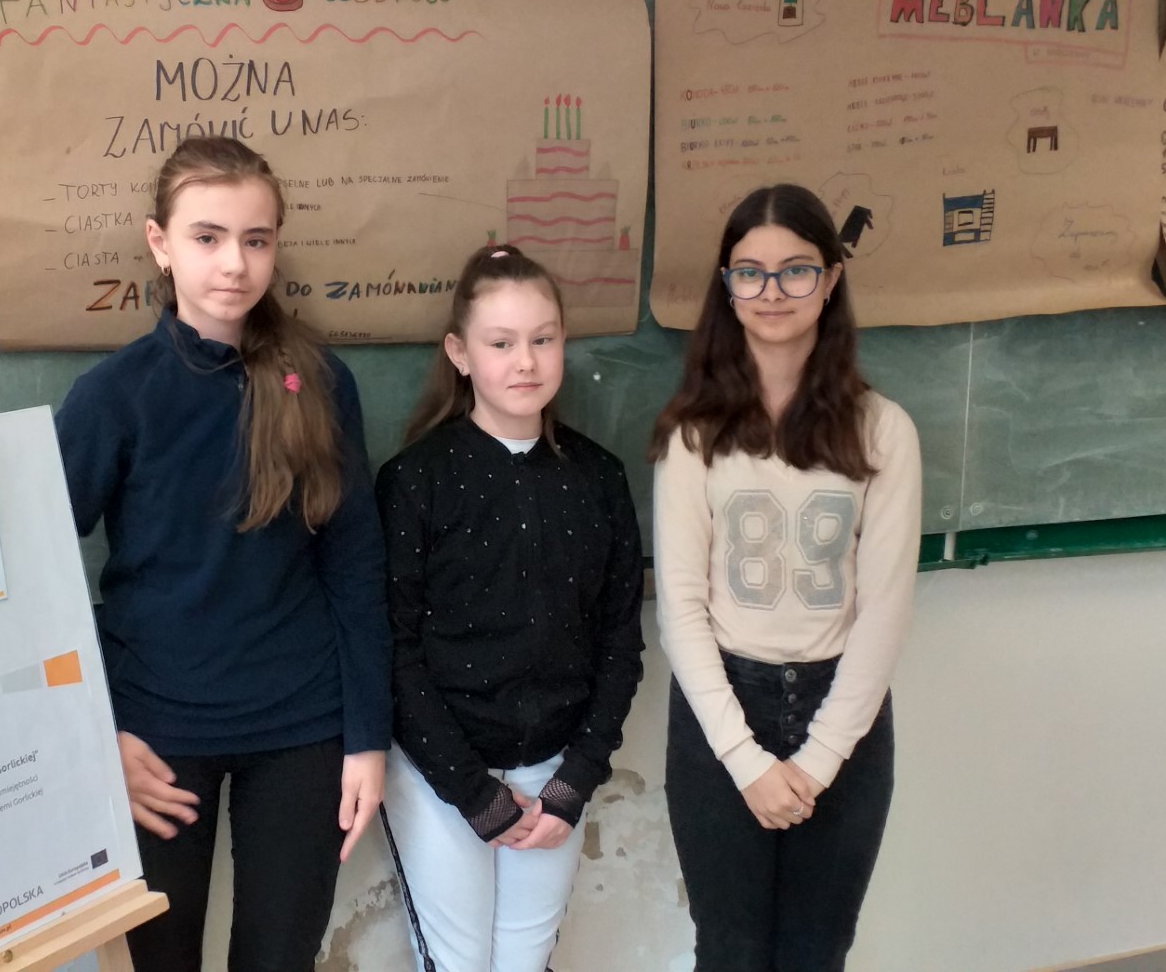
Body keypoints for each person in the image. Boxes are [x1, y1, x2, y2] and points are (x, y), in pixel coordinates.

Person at [53, 136, 390, 972]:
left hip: (302, 730)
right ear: (160, 243)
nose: (234, 263)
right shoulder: (113, 396)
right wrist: (98, 731)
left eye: (255, 239)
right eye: (207, 237)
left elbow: (355, 566)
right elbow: (38, 580)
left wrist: (368, 740)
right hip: (157, 738)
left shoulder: (321, 382)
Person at [652, 184, 922, 971]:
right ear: (727, 287)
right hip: (722, 711)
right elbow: (681, 611)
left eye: (796, 270)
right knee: (730, 953)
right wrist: (745, 760)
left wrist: (817, 760)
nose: (772, 292)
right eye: (750, 273)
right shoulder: (694, 436)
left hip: (843, 714)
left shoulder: (883, 432)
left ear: (831, 280)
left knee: (816, 952)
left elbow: (883, 612)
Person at [376, 245, 645, 972]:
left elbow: (620, 642)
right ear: (460, 354)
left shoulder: (598, 478)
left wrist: (575, 779)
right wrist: (472, 793)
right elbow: (394, 649)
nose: (525, 361)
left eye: (543, 339)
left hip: (554, 770)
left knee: (525, 961)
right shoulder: (415, 481)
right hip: (441, 773)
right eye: (501, 344)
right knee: (458, 963)